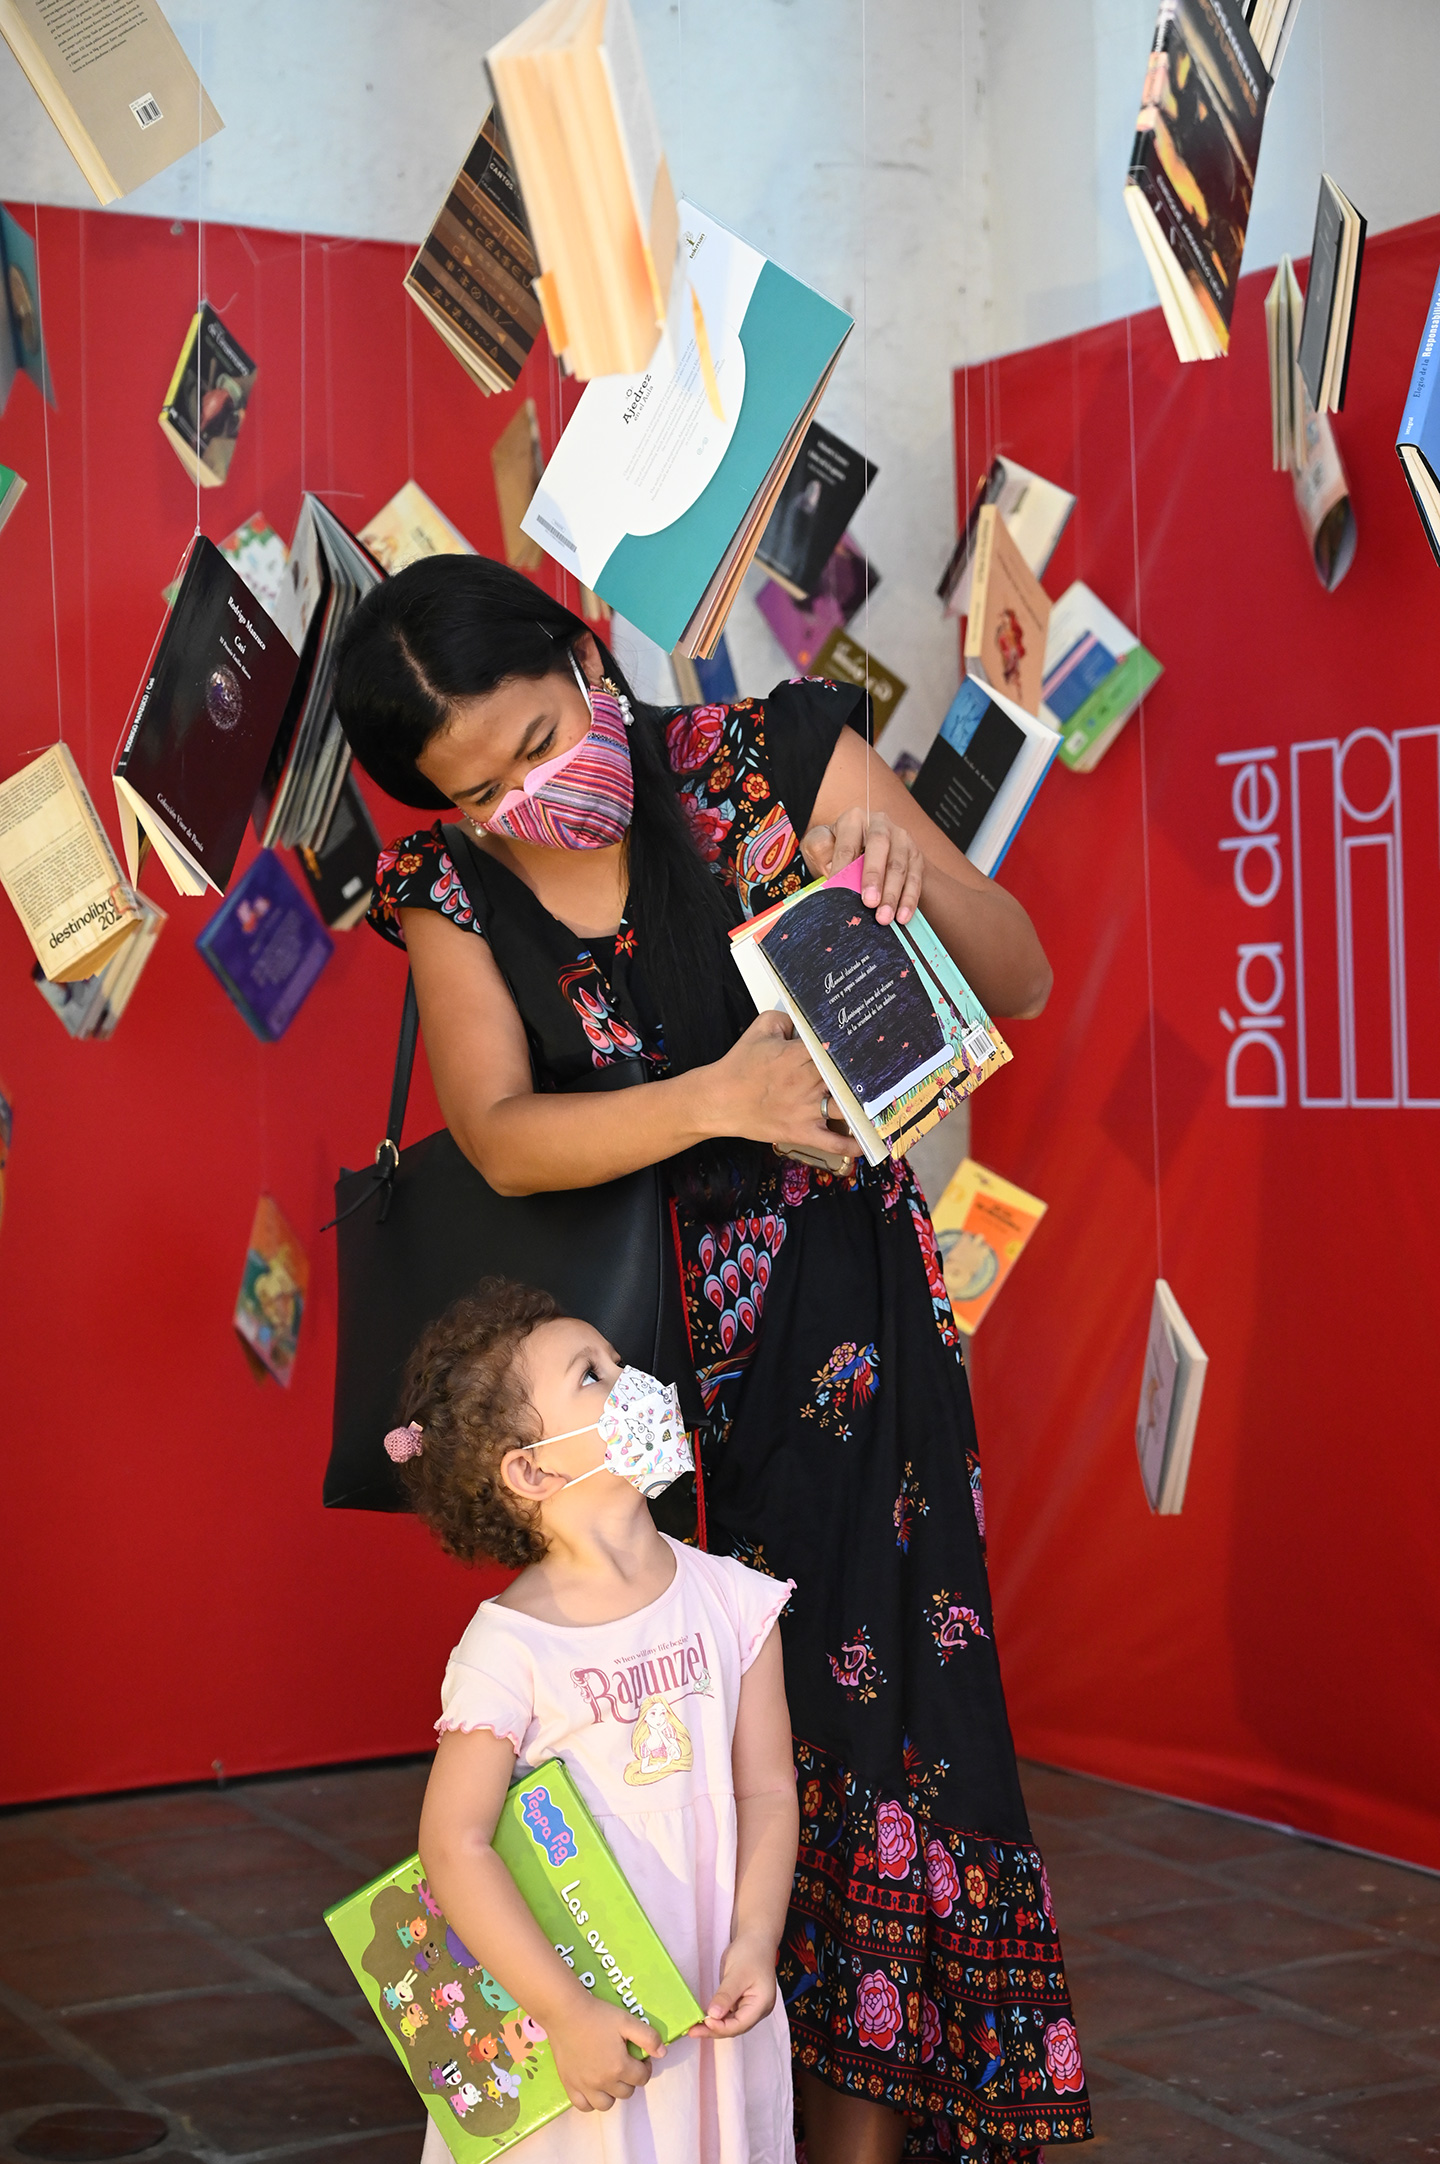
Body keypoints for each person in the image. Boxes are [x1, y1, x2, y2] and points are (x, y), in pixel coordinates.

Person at [337, 556, 1092, 2163]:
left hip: (848, 1354)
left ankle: (859, 2141)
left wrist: (913, 883)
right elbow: (499, 1133)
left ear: (580, 658)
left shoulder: (773, 757)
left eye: (538, 739)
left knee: (871, 1744)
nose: (529, 797)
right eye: (478, 790)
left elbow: (1019, 973)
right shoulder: (448, 889)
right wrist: (717, 1103)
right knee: (670, 1764)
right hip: (629, 1395)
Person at [396, 1278, 800, 2164]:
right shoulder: (510, 1647)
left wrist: (755, 1940)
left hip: (708, 1990)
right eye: (592, 1375)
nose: (634, 1382)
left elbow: (768, 1790)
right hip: (577, 2009)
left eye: (618, 1362)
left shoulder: (735, 1603)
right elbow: (454, 1844)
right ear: (532, 1469)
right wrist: (567, 2013)